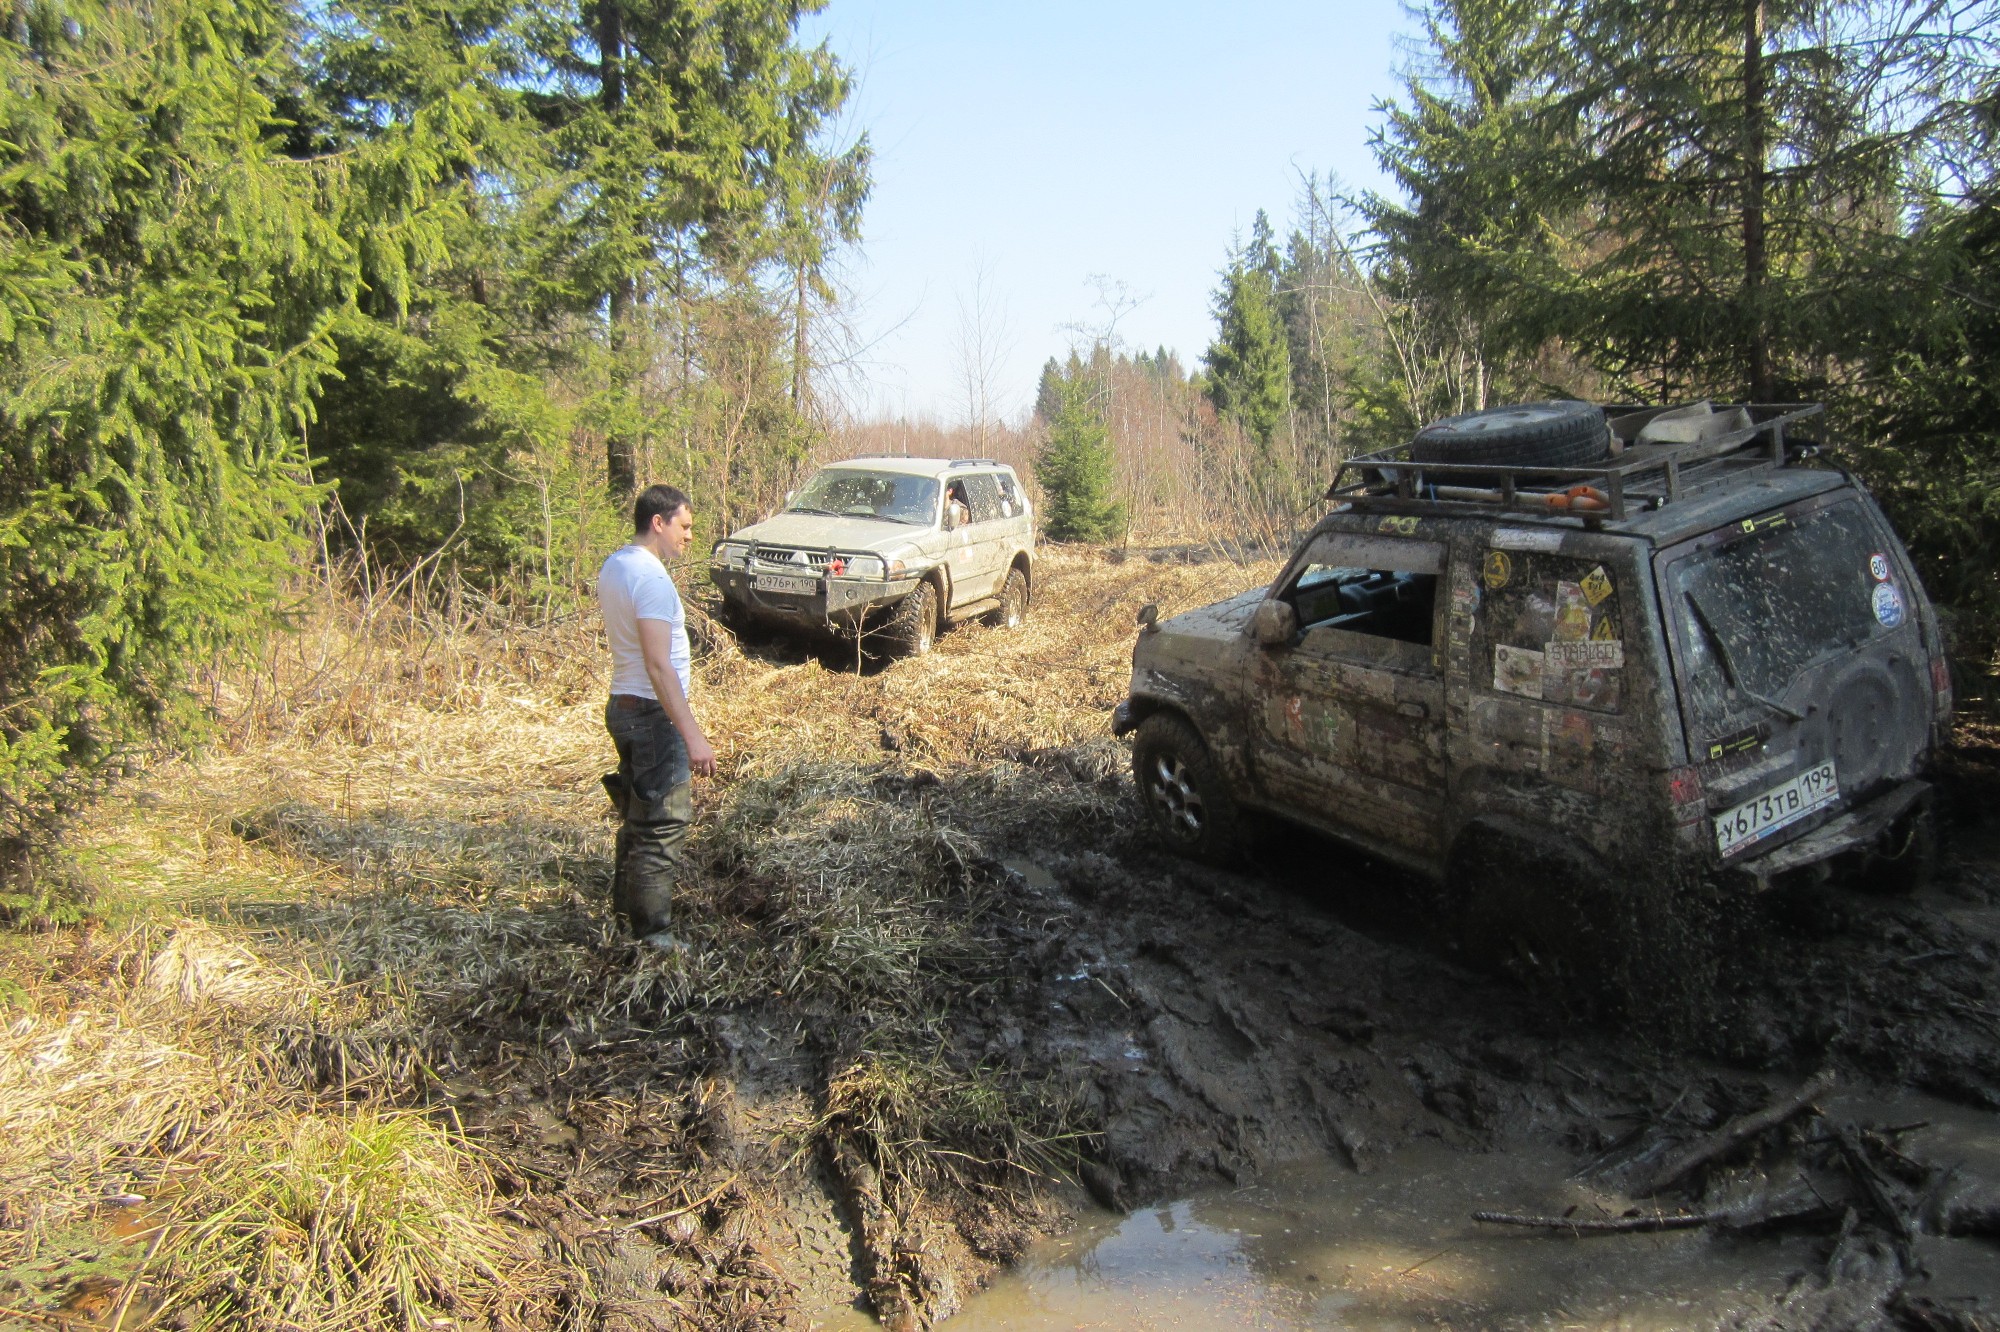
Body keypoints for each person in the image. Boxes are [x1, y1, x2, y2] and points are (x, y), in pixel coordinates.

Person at [597, 484, 718, 950]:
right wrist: (693, 736)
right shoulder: (649, 578)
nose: (689, 536)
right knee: (661, 825)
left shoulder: (617, 564)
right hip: (652, 714)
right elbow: (657, 664)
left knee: (637, 817)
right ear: (658, 522)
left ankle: (625, 918)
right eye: (684, 526)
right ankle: (653, 936)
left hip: (625, 704)